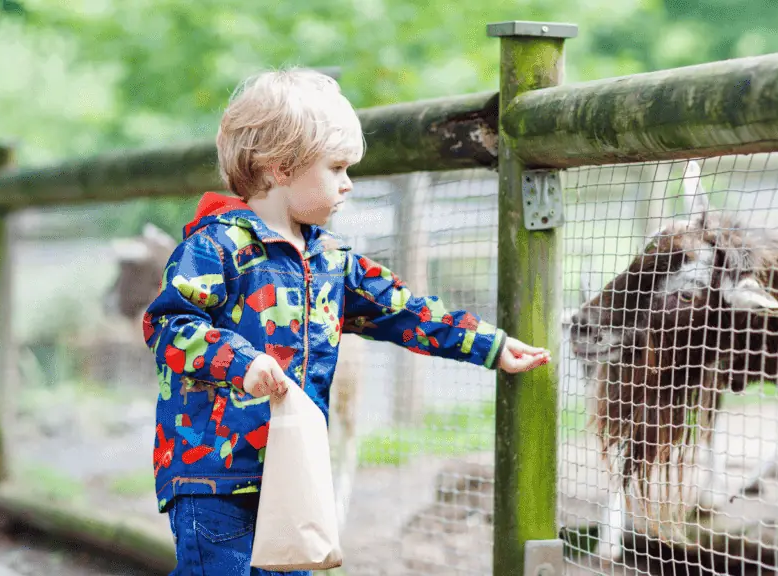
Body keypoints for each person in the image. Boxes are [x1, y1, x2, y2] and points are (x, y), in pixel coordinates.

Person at [143, 67, 552, 576]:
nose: (348, 184)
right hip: (215, 477)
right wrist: (241, 362)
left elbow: (402, 308)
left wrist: (488, 344)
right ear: (280, 168)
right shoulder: (215, 246)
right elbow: (169, 326)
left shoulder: (331, 260)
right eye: (335, 168)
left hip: (293, 469)